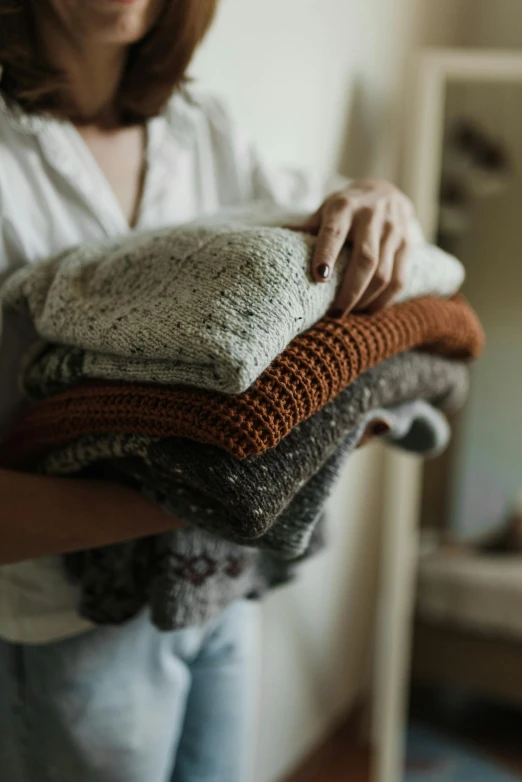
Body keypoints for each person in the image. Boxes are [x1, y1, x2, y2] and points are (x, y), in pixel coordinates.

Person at [0, 1, 417, 780]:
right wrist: (219, 489)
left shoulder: (201, 125)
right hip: (69, 622)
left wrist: (378, 199)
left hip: (217, 586)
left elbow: (338, 235)